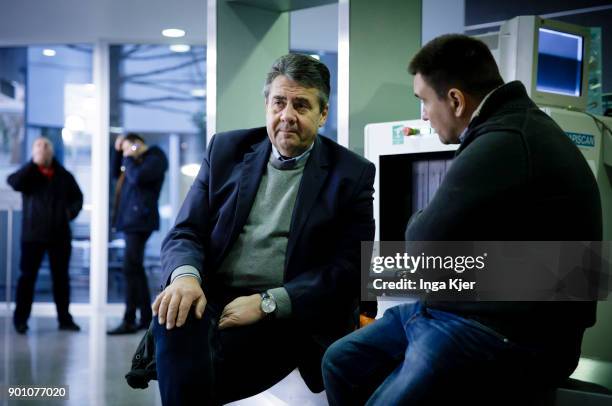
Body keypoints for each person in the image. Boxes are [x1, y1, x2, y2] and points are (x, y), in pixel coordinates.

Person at [322, 34, 602, 405]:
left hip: (514, 333)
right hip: (464, 308)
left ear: (455, 100)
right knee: (340, 361)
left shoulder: (506, 140)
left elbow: (421, 239)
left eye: (424, 100)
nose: (422, 115)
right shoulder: (509, 128)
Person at [151, 53, 375, 405]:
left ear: (323, 114)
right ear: (267, 105)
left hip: (287, 310)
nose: (287, 115)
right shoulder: (226, 150)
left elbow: (348, 269)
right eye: (279, 102)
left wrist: (268, 303)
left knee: (198, 369)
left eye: (301, 105)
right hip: (212, 298)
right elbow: (185, 231)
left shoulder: (351, 174)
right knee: (174, 319)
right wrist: (184, 277)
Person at [8, 137, 83, 334]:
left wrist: (69, 213)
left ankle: (64, 319)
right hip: (32, 235)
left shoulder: (64, 175)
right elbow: (13, 182)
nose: (42, 148)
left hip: (60, 235)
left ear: (52, 151)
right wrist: (33, 163)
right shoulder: (28, 174)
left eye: (46, 146)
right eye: (38, 146)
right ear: (34, 151)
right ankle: (20, 320)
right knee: (27, 278)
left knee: (61, 279)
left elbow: (78, 198)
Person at [108, 133, 168, 335]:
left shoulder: (155, 157)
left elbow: (138, 177)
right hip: (131, 221)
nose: (127, 151)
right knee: (134, 268)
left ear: (139, 143)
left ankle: (130, 319)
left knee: (130, 267)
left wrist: (128, 155)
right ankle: (143, 317)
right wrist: (119, 151)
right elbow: (116, 174)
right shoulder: (131, 162)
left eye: (129, 146)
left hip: (140, 221)